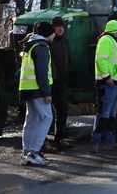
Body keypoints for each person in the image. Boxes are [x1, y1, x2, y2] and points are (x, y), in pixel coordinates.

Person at [20, 22, 55, 166]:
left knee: (32, 119)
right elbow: (41, 72)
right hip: (38, 90)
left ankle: (26, 152)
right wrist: (47, 92)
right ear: (48, 33)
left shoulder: (31, 44)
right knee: (47, 117)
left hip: (27, 88)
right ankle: (34, 152)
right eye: (52, 33)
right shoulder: (41, 47)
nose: (54, 35)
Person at [93, 20, 117, 153]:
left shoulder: (110, 41)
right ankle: (98, 140)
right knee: (105, 113)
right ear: (115, 31)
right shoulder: (106, 40)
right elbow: (101, 59)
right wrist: (107, 77)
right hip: (109, 83)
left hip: (114, 83)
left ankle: (108, 140)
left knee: (111, 113)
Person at [49, 17, 70, 145]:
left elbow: (69, 58)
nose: (60, 28)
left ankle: (59, 137)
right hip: (52, 81)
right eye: (57, 26)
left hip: (62, 81)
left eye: (62, 26)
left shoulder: (65, 41)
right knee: (47, 113)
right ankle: (43, 141)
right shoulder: (50, 43)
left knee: (62, 110)